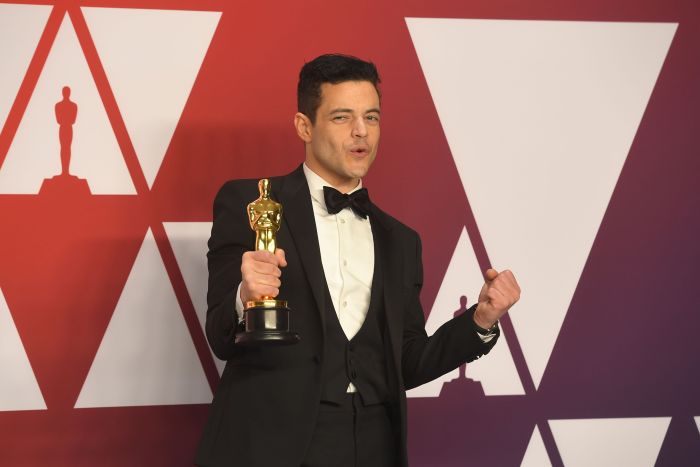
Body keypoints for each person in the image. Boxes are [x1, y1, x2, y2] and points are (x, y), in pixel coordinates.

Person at [195, 54, 520, 467]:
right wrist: (245, 296)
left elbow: (406, 361)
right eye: (342, 117)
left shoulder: (401, 240)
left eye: (371, 117)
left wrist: (480, 321)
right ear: (304, 126)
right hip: (271, 447)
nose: (361, 131)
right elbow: (220, 337)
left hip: (374, 445)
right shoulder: (252, 204)